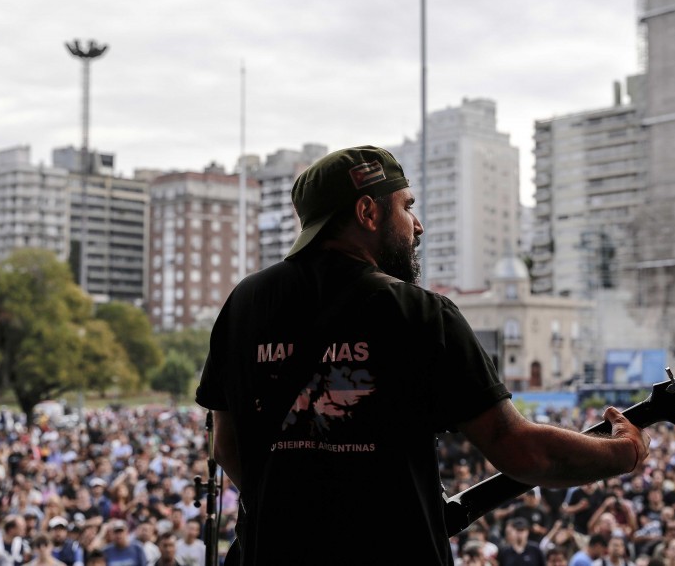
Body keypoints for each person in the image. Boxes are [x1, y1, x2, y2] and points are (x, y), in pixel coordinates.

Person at [196, 146, 650, 565]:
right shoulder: (417, 313)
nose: (418, 225)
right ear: (368, 211)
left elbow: (227, 447)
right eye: (407, 206)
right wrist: (624, 451)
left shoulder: (244, 305)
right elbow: (523, 452)